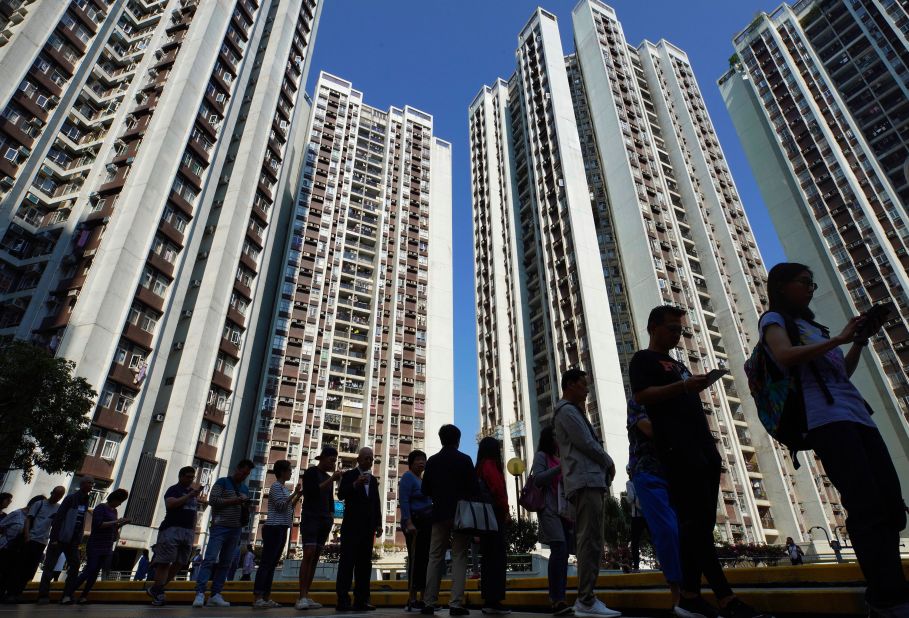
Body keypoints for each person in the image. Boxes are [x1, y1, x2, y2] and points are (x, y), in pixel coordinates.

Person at [760, 263, 908, 615]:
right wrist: (839, 339)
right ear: (782, 286)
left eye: (812, 283)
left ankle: (891, 586)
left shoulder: (814, 327)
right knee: (865, 504)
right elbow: (782, 356)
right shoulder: (775, 321)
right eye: (804, 282)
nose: (811, 288)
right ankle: (885, 595)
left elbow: (842, 372)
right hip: (827, 421)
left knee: (890, 504)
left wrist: (857, 342)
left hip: (858, 417)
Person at [631, 305, 766, 618]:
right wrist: (683, 386)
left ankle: (690, 596)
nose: (677, 335)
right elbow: (641, 397)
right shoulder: (644, 359)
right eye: (671, 329)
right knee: (694, 524)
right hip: (677, 450)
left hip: (704, 448)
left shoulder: (678, 364)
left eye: (680, 330)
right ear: (653, 327)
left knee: (700, 526)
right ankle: (725, 597)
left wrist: (696, 383)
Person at [553, 368, 620, 618]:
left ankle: (587, 598)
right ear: (569, 385)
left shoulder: (573, 411)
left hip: (588, 480)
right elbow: (586, 443)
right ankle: (586, 600)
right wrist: (608, 461)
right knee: (589, 539)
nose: (587, 388)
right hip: (585, 481)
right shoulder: (567, 411)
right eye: (582, 384)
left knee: (591, 539)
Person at [626, 400, 682, 610]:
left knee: (680, 530)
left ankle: (689, 590)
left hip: (675, 471)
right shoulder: (638, 403)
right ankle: (677, 593)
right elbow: (650, 430)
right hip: (649, 476)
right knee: (666, 531)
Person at [421, 424, 479, 616]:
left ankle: (429, 601)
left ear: (441, 439)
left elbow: (425, 491)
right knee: (459, 556)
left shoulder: (432, 461)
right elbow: (474, 490)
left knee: (434, 556)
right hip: (461, 514)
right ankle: (455, 604)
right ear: (458, 440)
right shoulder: (465, 460)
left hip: (438, 514)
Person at [193, 459, 254, 608]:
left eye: (247, 474)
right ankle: (200, 593)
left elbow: (244, 507)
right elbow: (213, 500)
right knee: (210, 559)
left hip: (236, 528)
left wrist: (245, 504)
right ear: (237, 468)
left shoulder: (245, 489)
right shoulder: (222, 482)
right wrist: (234, 500)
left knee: (226, 562)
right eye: (243, 472)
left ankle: (216, 594)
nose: (244, 476)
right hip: (220, 526)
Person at [62, 488, 130, 604]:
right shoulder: (100, 508)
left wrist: (121, 523)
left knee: (95, 572)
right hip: (96, 543)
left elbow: (113, 527)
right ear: (114, 499)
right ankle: (67, 593)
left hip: (107, 544)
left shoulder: (114, 511)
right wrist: (116, 522)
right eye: (119, 501)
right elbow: (98, 524)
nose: (119, 504)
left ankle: (84, 595)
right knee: (90, 569)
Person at [531, 426, 573, 615]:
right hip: (549, 510)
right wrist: (559, 468)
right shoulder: (542, 456)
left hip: (565, 511)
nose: (559, 438)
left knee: (564, 553)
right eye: (556, 435)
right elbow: (538, 479)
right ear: (549, 438)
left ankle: (560, 596)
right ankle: (556, 598)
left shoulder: (559, 457)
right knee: (559, 549)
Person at [295, 446, 342, 610]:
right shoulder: (311, 472)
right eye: (331, 460)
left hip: (324, 520)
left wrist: (330, 517)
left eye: (335, 460)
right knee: (308, 554)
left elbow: (330, 500)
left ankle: (307, 595)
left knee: (315, 557)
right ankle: (301, 596)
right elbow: (312, 492)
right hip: (311, 517)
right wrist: (332, 479)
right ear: (322, 458)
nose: (333, 463)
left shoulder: (327, 477)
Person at [147, 466, 202, 607]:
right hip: (171, 529)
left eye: (192, 477)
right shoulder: (174, 489)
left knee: (181, 562)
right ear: (181, 476)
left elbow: (194, 513)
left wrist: (193, 530)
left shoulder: (192, 493)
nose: (191, 479)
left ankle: (157, 588)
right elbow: (170, 504)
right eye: (188, 476)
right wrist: (189, 496)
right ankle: (158, 592)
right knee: (165, 561)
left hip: (187, 531)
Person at [336, 447, 382, 612]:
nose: (369, 461)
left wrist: (379, 524)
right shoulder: (349, 475)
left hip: (368, 528)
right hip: (351, 527)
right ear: (359, 459)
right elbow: (341, 495)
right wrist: (355, 484)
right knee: (347, 563)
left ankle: (361, 600)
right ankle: (343, 599)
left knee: (364, 565)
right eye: (366, 458)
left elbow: (376, 502)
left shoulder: (374, 480)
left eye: (371, 458)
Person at [38, 476, 95, 604]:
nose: (92, 485)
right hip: (60, 538)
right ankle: (43, 595)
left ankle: (67, 595)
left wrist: (79, 538)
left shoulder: (86, 500)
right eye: (89, 482)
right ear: (82, 485)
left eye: (92, 483)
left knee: (75, 566)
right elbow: (59, 518)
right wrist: (54, 538)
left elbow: (81, 521)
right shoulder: (71, 498)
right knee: (49, 567)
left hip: (73, 541)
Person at [254, 459, 302, 609]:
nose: (291, 472)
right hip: (274, 527)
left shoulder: (283, 488)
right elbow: (281, 506)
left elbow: (289, 507)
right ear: (282, 471)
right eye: (289, 470)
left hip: (282, 527)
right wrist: (294, 493)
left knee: (272, 564)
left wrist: (297, 496)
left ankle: (266, 597)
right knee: (266, 563)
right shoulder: (275, 487)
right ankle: (258, 597)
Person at [4, 486, 65, 602]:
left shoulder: (58, 508)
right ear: (52, 493)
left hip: (42, 541)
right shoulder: (40, 504)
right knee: (20, 566)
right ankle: (11, 593)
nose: (57, 497)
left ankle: (18, 592)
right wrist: (27, 535)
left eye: (60, 496)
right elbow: (28, 519)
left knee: (30, 568)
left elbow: (56, 525)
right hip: (31, 539)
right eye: (56, 494)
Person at [475, 437, 511, 616]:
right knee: (497, 558)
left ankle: (489, 600)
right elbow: (498, 489)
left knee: (488, 559)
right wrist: (506, 511)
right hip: (495, 516)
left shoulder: (479, 466)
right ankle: (494, 601)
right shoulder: (490, 465)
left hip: (484, 519)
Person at [399, 449, 432, 612]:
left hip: (426, 522)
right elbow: (403, 501)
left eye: (423, 460)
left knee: (424, 559)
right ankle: (411, 598)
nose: (421, 462)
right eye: (418, 459)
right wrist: (408, 522)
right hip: (414, 522)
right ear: (411, 463)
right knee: (415, 559)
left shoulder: (422, 479)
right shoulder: (407, 477)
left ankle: (423, 598)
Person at [0, 495, 45, 599]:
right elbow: (2, 526)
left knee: (11, 574)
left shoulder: (34, 519)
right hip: (6, 548)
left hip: (20, 551)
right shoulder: (17, 514)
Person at [626, 478, 645, 573]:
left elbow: (631, 498)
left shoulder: (630, 483)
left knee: (635, 542)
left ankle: (636, 567)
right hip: (649, 514)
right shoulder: (644, 480)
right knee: (655, 538)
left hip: (637, 516)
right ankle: (663, 563)